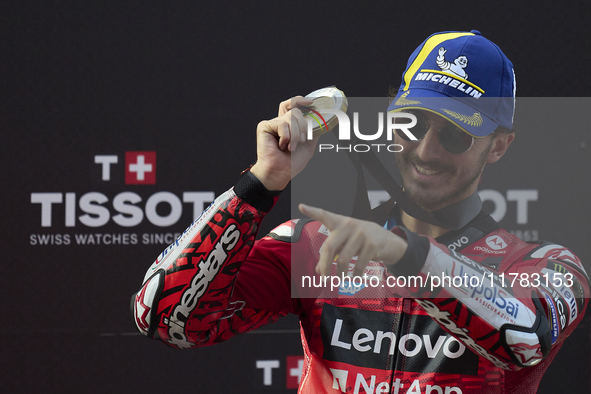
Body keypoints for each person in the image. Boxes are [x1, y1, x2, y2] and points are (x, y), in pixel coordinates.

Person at [131, 30, 589, 394]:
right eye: (413, 124)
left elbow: (525, 338)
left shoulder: (544, 266)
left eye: (455, 135)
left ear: (499, 147)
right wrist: (261, 181)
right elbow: (166, 318)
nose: (426, 150)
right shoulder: (315, 245)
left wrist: (405, 253)